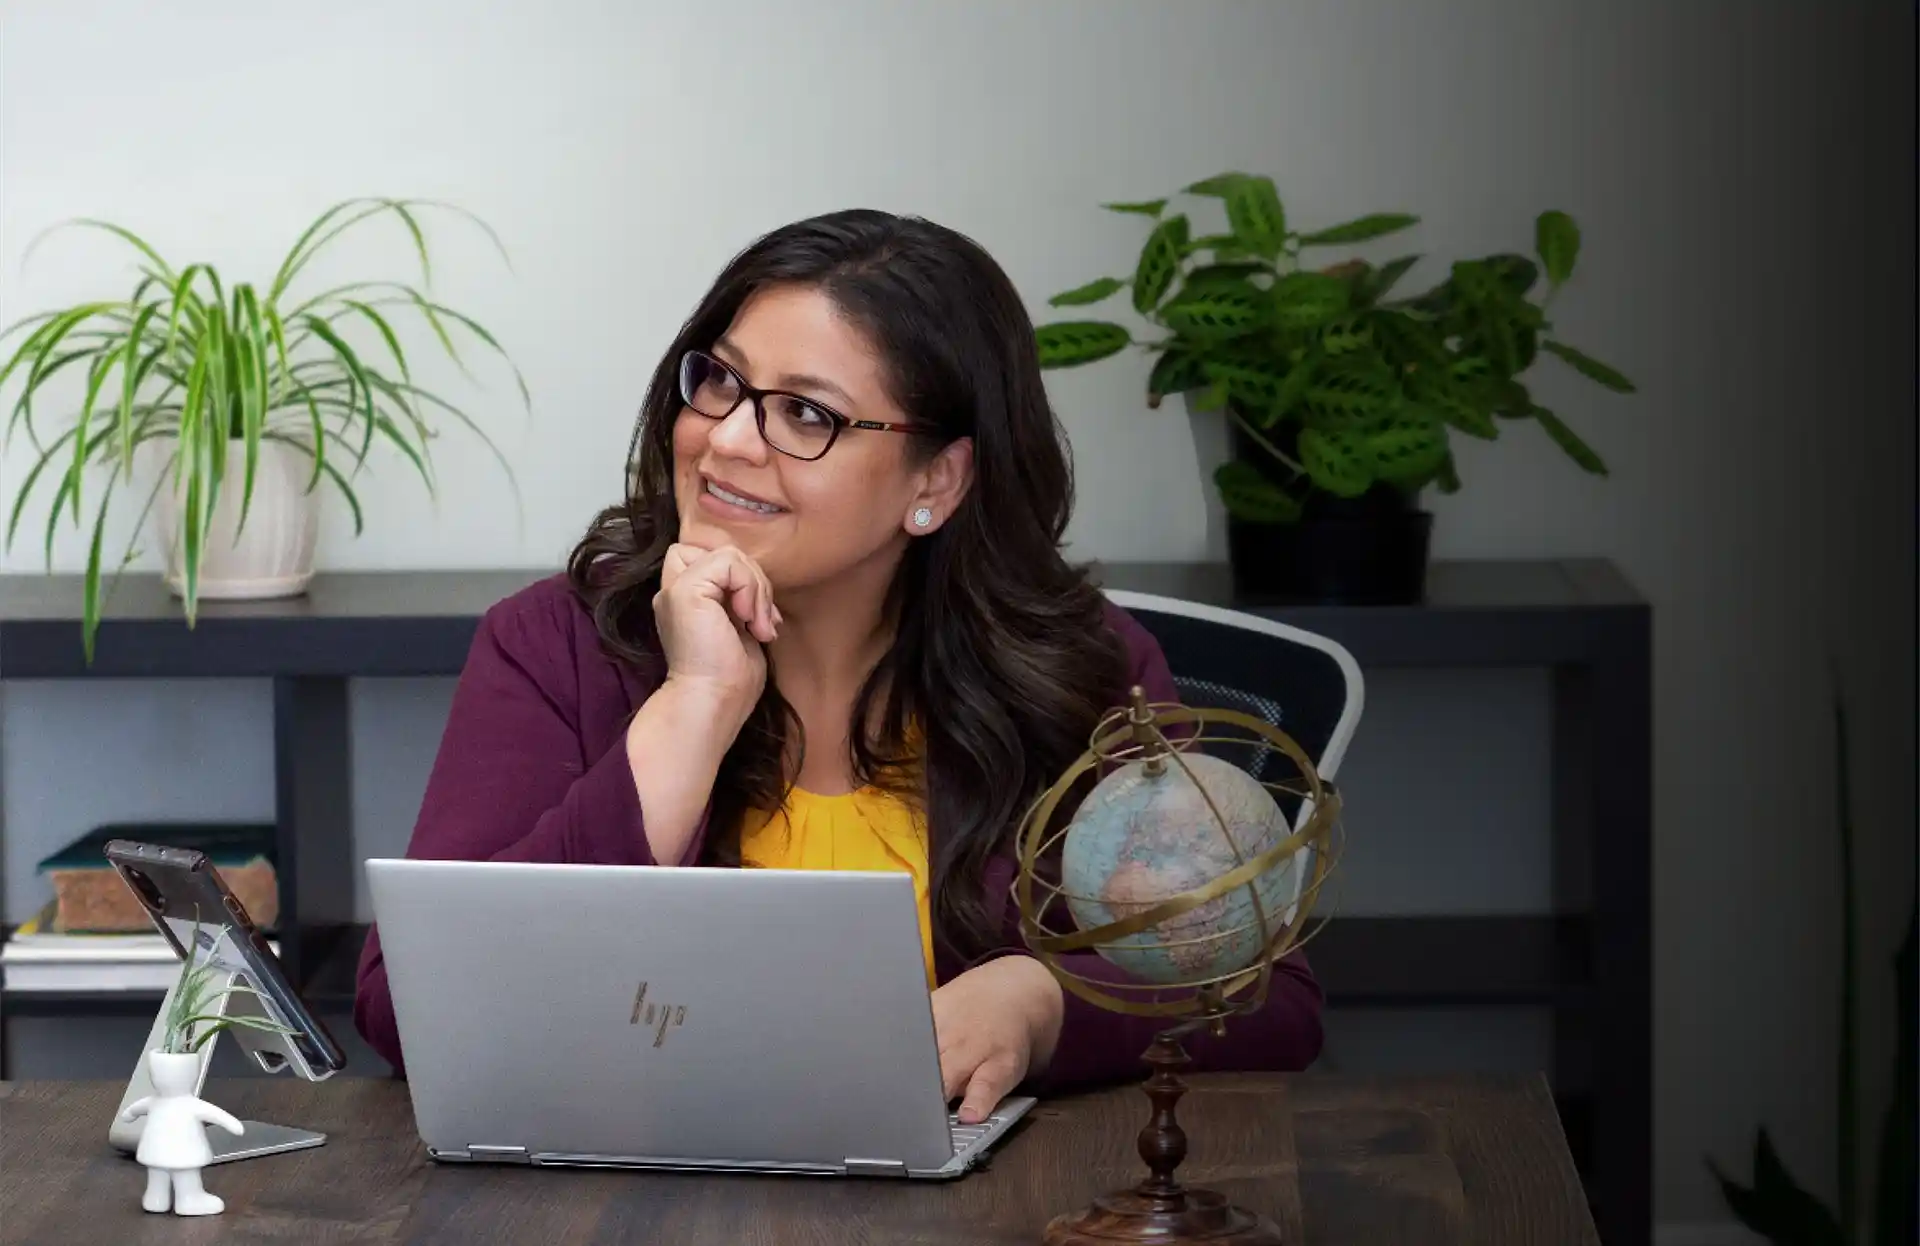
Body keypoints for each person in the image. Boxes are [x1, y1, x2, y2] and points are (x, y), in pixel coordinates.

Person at [352, 209, 1324, 1122]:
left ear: (936, 480)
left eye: (805, 415)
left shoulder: (1080, 669)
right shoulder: (554, 643)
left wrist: (1044, 1004)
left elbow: (1269, 995)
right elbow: (412, 1005)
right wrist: (692, 709)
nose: (727, 438)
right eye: (721, 382)